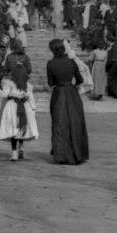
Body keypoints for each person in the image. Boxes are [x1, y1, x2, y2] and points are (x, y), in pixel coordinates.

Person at [46, 37, 89, 165]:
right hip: (72, 93)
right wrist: (72, 86)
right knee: (75, 123)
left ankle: (61, 155)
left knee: (59, 124)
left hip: (58, 93)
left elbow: (50, 82)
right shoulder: (71, 62)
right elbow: (80, 80)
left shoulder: (51, 63)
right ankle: (77, 154)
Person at [0, 61, 38, 161]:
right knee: (21, 127)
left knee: (13, 128)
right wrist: (33, 109)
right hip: (24, 107)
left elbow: (5, 95)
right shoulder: (27, 85)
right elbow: (30, 98)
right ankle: (21, 148)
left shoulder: (8, 83)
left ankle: (14, 152)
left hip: (11, 106)